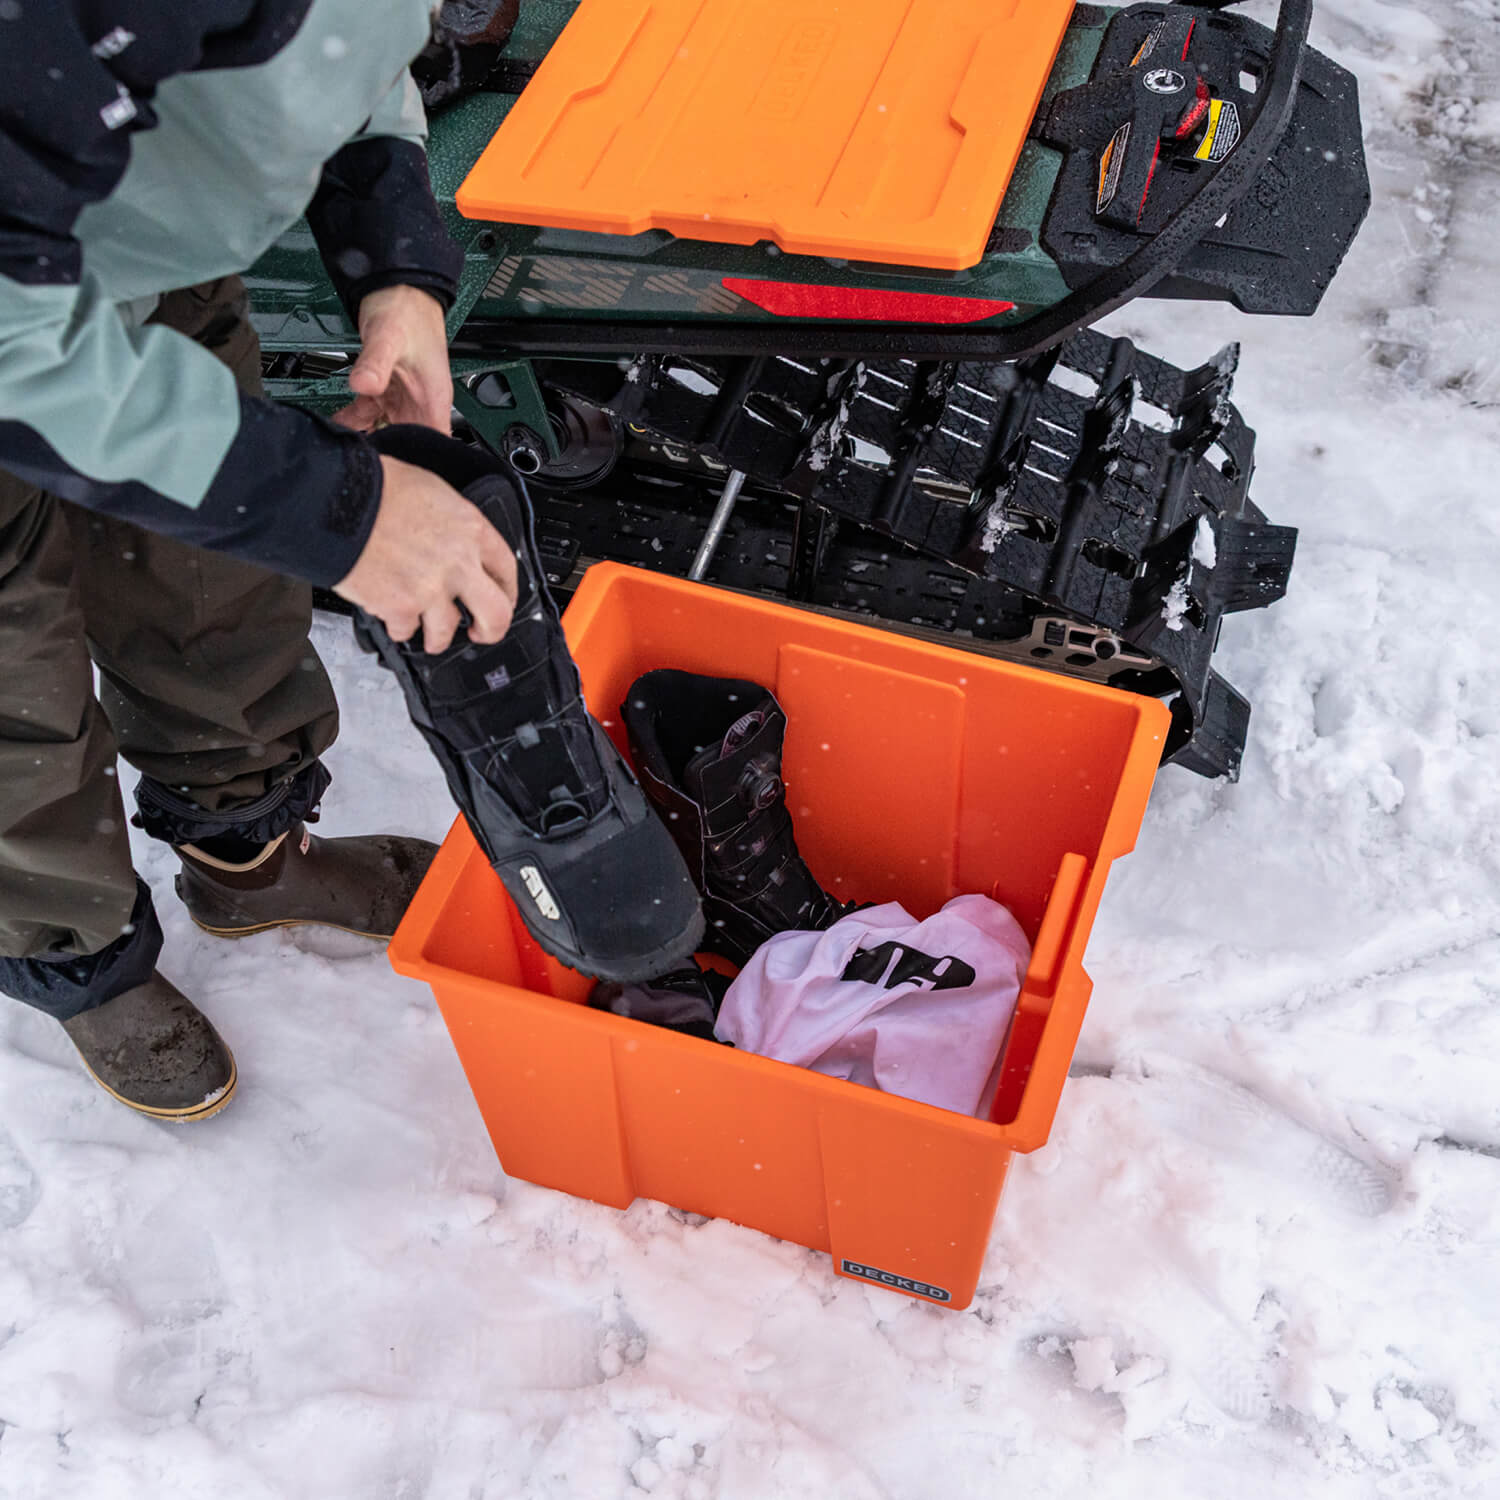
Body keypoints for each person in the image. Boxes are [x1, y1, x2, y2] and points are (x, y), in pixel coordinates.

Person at [0, 2, 522, 1121]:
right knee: (10, 679)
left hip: (141, 238)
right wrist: (346, 516)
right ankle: (75, 949)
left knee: (210, 579)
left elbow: (353, 42)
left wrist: (394, 260)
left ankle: (248, 853)